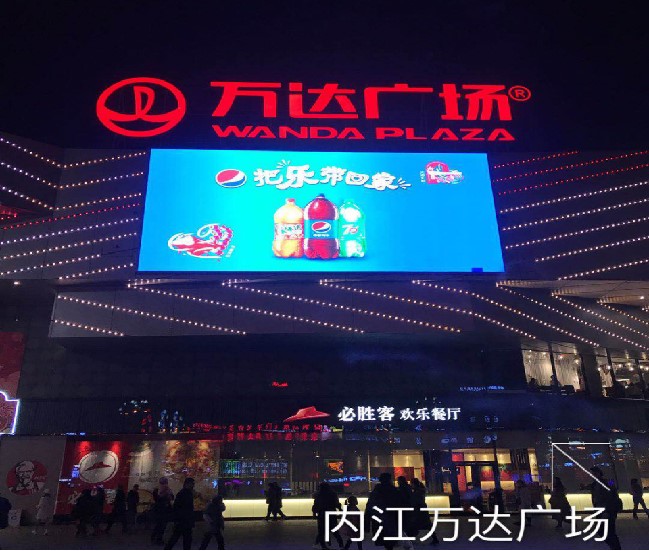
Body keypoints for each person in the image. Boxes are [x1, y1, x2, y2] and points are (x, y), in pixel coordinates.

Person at [365, 473, 401, 550]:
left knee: (384, 539)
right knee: (390, 539)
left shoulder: (376, 491)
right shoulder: (394, 491)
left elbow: (369, 506)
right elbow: (399, 504)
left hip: (379, 518)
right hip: (391, 518)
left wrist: (367, 522)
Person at [590, 466, 622, 550]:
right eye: (593, 473)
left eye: (595, 473)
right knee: (603, 531)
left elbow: (612, 494)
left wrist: (607, 510)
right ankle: (614, 547)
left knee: (608, 531)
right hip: (600, 510)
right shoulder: (594, 484)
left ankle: (615, 548)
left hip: (608, 510)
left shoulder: (607, 481)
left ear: (599, 473)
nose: (593, 475)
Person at [165, 477, 195, 550]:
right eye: (192, 484)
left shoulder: (184, 493)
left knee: (178, 537)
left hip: (183, 519)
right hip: (184, 519)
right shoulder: (185, 493)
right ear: (188, 484)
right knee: (184, 538)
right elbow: (178, 507)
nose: (193, 485)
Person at [312, 482, 343, 550]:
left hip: (321, 514)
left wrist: (314, 513)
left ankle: (321, 545)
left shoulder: (318, 495)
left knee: (321, 531)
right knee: (334, 530)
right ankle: (341, 544)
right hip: (331, 513)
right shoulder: (332, 494)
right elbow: (336, 503)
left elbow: (315, 505)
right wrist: (340, 509)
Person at [411, 478, 437, 545]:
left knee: (415, 524)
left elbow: (416, 500)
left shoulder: (417, 492)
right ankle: (435, 538)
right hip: (422, 509)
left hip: (419, 510)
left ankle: (410, 538)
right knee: (426, 525)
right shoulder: (420, 490)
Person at [152, 477, 175, 545]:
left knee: (160, 525)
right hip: (161, 510)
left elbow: (171, 497)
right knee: (161, 525)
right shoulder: (159, 490)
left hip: (163, 510)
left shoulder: (166, 490)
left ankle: (155, 537)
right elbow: (157, 499)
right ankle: (158, 538)